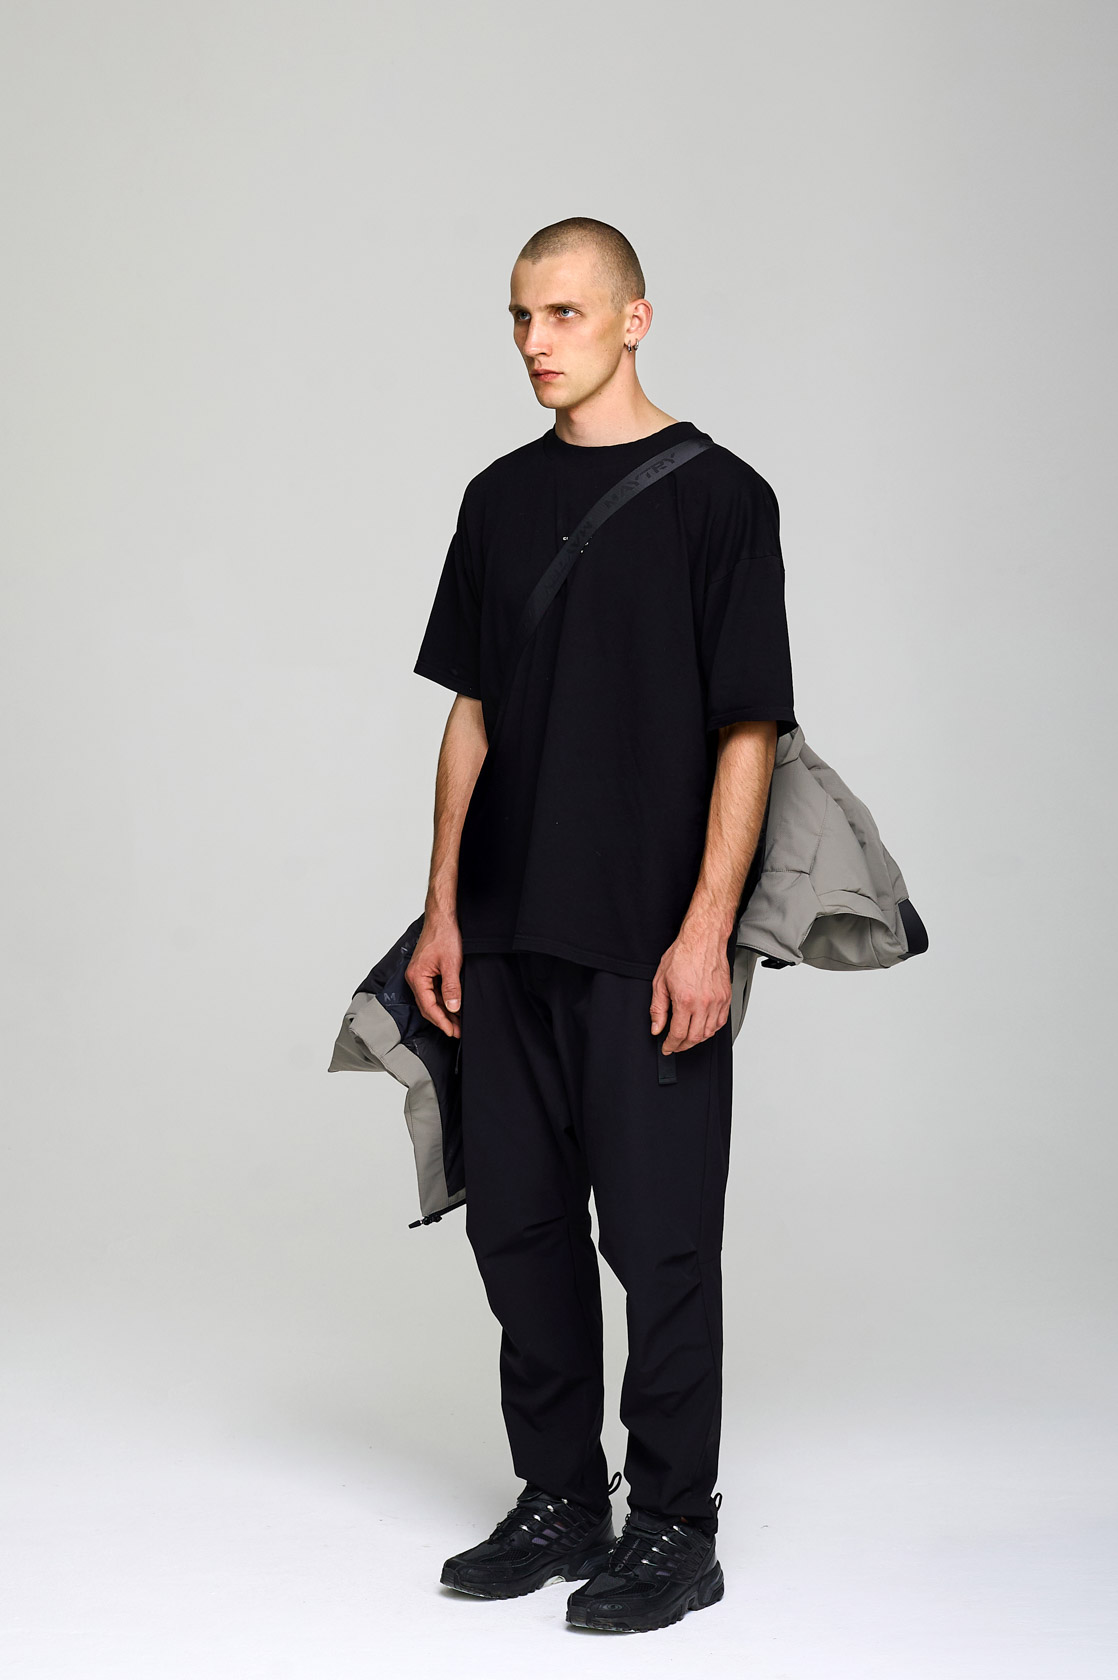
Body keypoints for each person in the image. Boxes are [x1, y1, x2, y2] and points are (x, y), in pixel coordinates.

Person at [405, 216, 797, 1634]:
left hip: (645, 935)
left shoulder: (721, 499)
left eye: (563, 314)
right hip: (506, 929)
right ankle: (562, 1496)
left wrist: (707, 932)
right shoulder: (497, 498)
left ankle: (675, 1524)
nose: (534, 342)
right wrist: (442, 911)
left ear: (634, 319)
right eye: (520, 316)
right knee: (518, 1228)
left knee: (659, 1238)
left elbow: (748, 729)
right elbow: (472, 714)